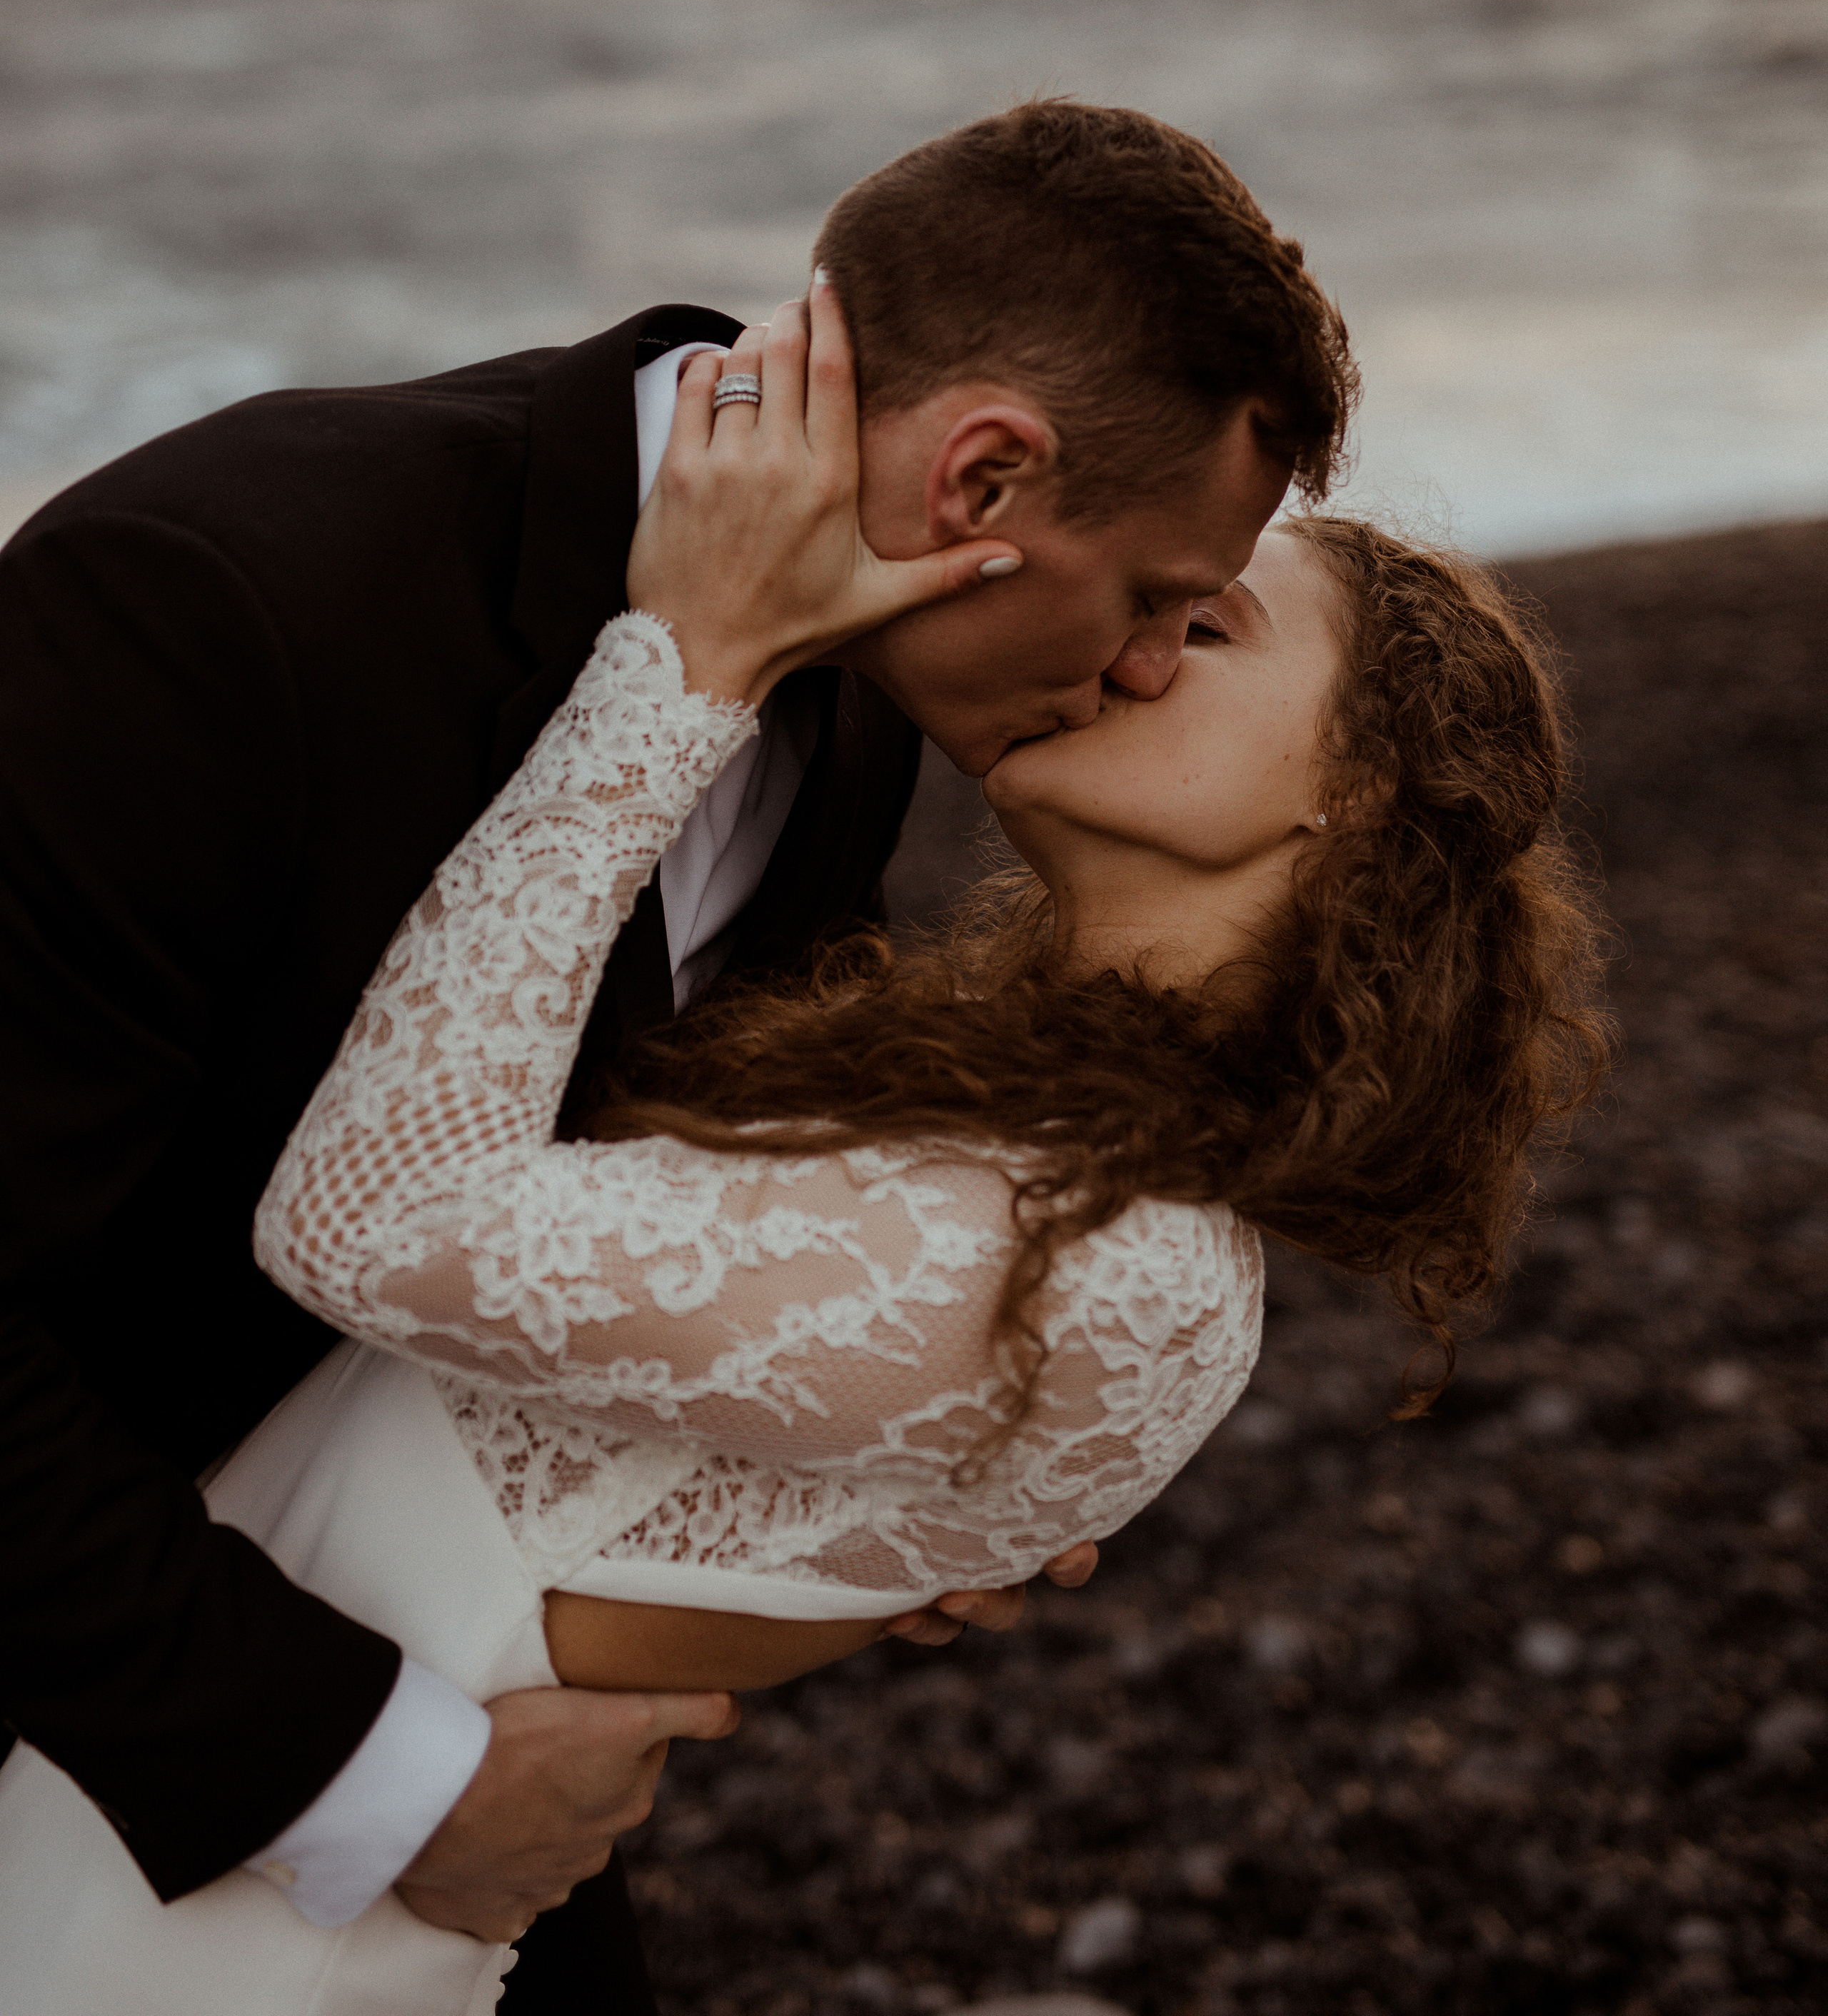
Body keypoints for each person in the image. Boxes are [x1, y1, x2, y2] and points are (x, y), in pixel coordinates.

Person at [0, 268, 1607, 2015]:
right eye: (1149, 601)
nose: (1129, 656)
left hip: (258, 1913)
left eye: (1200, 627)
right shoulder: (962, 1080)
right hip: (178, 1785)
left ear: (1354, 790)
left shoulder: (1123, 1262)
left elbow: (380, 1220)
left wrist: (675, 673)